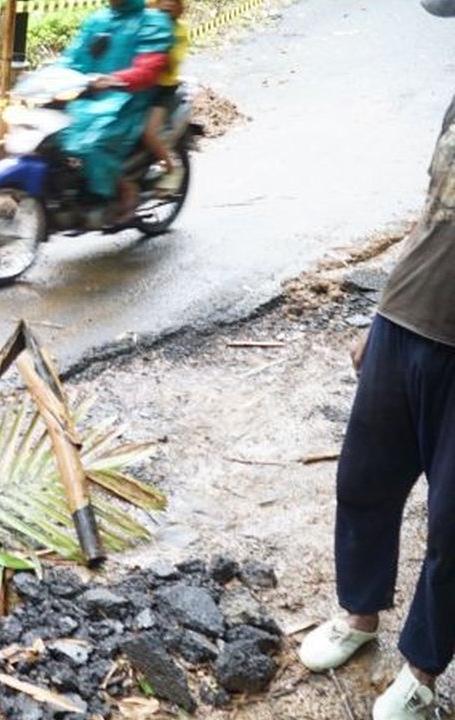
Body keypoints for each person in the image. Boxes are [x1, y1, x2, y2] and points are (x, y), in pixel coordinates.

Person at [297, 2, 455, 718]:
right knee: (364, 479)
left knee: (452, 526)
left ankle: (421, 673)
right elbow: (431, 215)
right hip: (406, 320)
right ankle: (360, 615)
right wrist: (380, 311)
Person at [55, 0, 173, 225]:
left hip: (128, 100)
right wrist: (48, 77)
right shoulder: (98, 20)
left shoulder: (153, 22)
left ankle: (126, 190)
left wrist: (116, 79)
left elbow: (149, 68)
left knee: (94, 142)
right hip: (89, 97)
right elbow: (72, 59)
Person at [142, 0, 187, 194]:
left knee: (148, 132)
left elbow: (172, 63)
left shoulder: (179, 31)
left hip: (163, 89)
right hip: (139, 85)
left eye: (173, 1)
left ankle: (172, 168)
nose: (168, 4)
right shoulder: (144, 20)